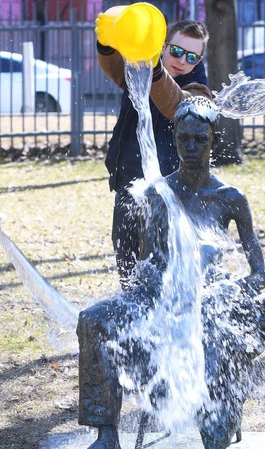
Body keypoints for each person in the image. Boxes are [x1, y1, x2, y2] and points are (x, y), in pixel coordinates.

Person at [58, 96, 265, 449]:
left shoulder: (231, 198)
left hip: (222, 302)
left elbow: (259, 274)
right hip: (167, 301)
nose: (191, 147)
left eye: (200, 140)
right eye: (184, 139)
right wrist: (165, 289)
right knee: (93, 320)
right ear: (174, 140)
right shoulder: (159, 194)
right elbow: (148, 265)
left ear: (212, 140)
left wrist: (230, 291)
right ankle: (106, 442)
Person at [97, 16, 212, 287]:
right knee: (127, 260)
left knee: (163, 267)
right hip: (130, 181)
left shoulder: (199, 91)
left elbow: (177, 106)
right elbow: (116, 69)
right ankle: (130, 303)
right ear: (162, 46)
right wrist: (105, 44)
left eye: (192, 57)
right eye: (177, 51)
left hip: (172, 194)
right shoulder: (140, 70)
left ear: (199, 61)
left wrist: (155, 67)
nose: (182, 61)